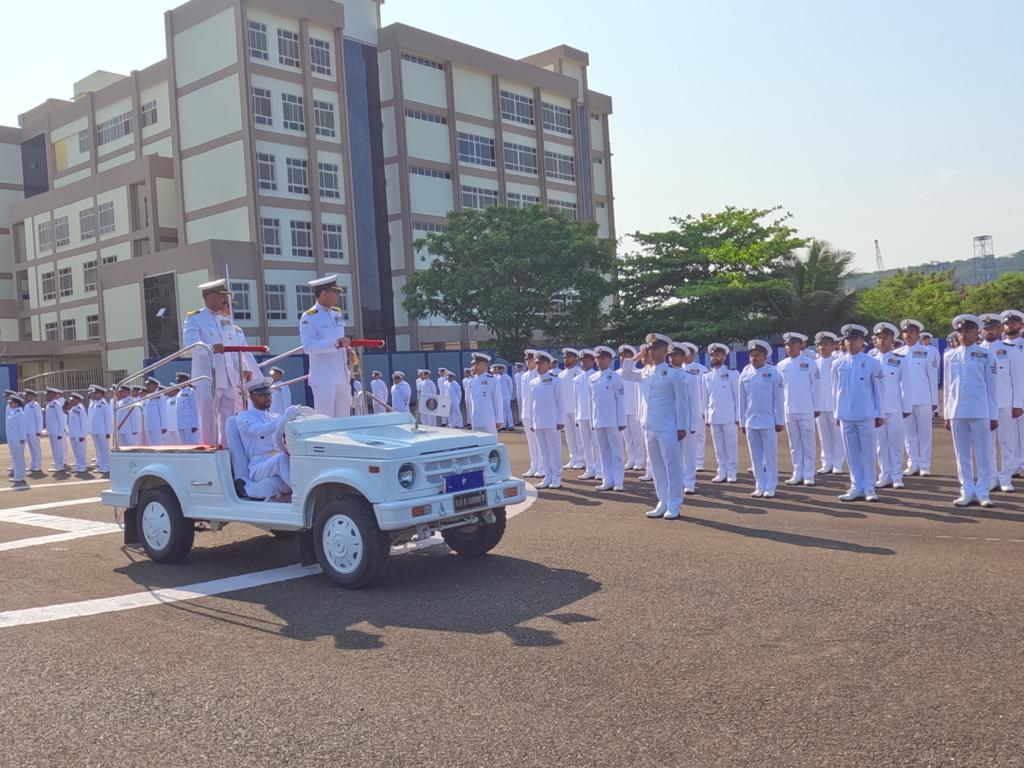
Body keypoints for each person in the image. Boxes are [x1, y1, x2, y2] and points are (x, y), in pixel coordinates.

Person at [620, 334, 690, 520]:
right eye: (649, 349)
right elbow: (625, 374)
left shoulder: (674, 374)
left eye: (655, 348)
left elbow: (682, 402)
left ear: (664, 350)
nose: (651, 352)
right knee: (657, 467)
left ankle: (674, 503)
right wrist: (635, 358)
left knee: (672, 466)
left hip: (668, 426)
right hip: (649, 425)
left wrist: (682, 426)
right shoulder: (646, 372)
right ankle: (662, 501)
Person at [182, 278, 260, 445]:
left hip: (229, 377)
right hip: (208, 377)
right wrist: (211, 347)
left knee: (228, 419)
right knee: (208, 419)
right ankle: (209, 448)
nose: (226, 299)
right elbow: (190, 345)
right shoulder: (195, 318)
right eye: (222, 296)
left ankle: (226, 448)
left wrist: (242, 369)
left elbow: (232, 351)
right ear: (210, 298)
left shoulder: (225, 320)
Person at [944, 315, 999, 507]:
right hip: (957, 411)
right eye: (960, 331)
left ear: (977, 333)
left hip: (980, 410)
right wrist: (947, 414)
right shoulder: (949, 356)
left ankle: (983, 492)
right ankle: (966, 491)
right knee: (962, 455)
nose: (963, 334)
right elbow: (948, 387)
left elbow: (992, 387)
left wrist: (993, 415)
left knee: (983, 454)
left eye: (968, 331)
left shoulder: (986, 354)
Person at [832, 324, 886, 502]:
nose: (850, 343)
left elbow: (879, 390)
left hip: (866, 414)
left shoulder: (872, 362)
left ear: (862, 341)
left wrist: (880, 414)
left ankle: (869, 487)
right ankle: (856, 486)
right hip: (846, 415)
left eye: (854, 340)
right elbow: (835, 390)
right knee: (851, 453)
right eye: (848, 340)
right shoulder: (837, 363)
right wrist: (837, 414)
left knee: (868, 452)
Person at [978, 313, 1024, 493]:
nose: (989, 331)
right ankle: (991, 477)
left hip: (1005, 403)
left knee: (1008, 443)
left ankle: (1005, 477)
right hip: (983, 406)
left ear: (999, 330)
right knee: (987, 444)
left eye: (993, 328)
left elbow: (1017, 379)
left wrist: (1018, 404)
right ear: (981, 330)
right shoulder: (975, 351)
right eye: (986, 328)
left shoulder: (1010, 350)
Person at [299, 274, 353, 418]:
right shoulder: (309, 316)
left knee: (344, 421)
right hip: (324, 378)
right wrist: (335, 344)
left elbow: (341, 337)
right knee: (326, 421)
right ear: (324, 294)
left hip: (342, 376)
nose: (338, 296)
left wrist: (347, 350)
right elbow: (308, 346)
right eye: (335, 292)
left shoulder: (337, 313)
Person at [738, 340, 785, 498]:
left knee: (770, 456)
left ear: (765, 357)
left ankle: (770, 485)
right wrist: (742, 422)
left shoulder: (774, 373)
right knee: (755, 456)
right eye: (752, 355)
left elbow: (779, 398)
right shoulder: (745, 374)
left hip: (768, 421)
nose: (754, 358)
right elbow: (742, 401)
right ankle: (759, 485)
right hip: (751, 421)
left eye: (757, 355)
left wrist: (779, 420)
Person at [236, 378, 293, 501]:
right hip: (259, 465)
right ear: (252, 397)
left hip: (277, 461)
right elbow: (258, 430)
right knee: (282, 458)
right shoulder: (244, 417)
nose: (268, 397)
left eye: (269, 394)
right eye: (262, 395)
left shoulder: (275, 416)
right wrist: (284, 419)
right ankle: (301, 494)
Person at [777, 332, 821, 486]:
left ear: (800, 345)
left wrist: (817, 406)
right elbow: (779, 390)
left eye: (792, 344)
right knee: (794, 444)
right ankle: (797, 472)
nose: (789, 347)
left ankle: (809, 474)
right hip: (789, 409)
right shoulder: (781, 365)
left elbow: (816, 387)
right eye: (787, 345)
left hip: (806, 408)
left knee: (808, 443)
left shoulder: (810, 363)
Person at [896, 319, 939, 476]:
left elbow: (932, 377)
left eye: (911, 332)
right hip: (904, 400)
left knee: (924, 433)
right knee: (909, 435)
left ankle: (924, 465)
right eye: (906, 332)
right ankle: (912, 463)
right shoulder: (897, 353)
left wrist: (935, 401)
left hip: (923, 398)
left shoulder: (928, 352)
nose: (908, 335)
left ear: (918, 335)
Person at [872, 322, 911, 489]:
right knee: (880, 445)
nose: (881, 341)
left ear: (892, 341)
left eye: (886, 338)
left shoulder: (899, 360)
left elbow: (906, 385)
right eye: (879, 338)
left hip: (895, 408)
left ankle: (896, 476)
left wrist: (906, 407)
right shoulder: (870, 360)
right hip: (876, 410)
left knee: (896, 443)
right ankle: (884, 475)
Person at [590, 346, 627, 491]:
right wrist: (593, 421)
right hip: (598, 420)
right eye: (598, 358)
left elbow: (620, 400)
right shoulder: (592, 378)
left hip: (613, 420)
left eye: (603, 358)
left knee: (617, 452)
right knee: (603, 452)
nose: (599, 361)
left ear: (610, 360)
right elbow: (591, 402)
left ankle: (618, 481)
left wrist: (621, 421)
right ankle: (607, 479)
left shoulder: (615, 377)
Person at [704, 342, 740, 483]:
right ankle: (721, 471)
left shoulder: (732, 373)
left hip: (729, 415)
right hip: (714, 416)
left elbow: (737, 396)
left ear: (724, 357)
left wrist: (738, 417)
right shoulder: (706, 376)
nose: (714, 358)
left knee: (731, 445)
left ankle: (732, 472)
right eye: (712, 355)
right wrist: (707, 416)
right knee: (718, 447)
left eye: (718, 355)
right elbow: (705, 398)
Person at [668, 342, 701, 494]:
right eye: (670, 355)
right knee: (673, 454)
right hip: (669, 421)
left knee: (689, 453)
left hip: (686, 421)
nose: (672, 358)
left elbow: (694, 402)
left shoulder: (689, 377)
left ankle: (689, 482)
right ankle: (677, 481)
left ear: (683, 357)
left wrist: (694, 424)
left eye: (676, 355)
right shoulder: (665, 375)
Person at [529, 351, 565, 489]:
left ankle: (556, 477)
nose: (538, 366)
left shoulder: (555, 380)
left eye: (541, 363)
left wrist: (560, 420)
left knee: (554, 450)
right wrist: (532, 422)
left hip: (552, 421)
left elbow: (560, 402)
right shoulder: (533, 382)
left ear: (548, 365)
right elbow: (532, 404)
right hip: (539, 422)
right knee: (543, 451)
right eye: (537, 363)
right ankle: (547, 476)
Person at [813, 332, 845, 474]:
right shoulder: (813, 364)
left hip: (834, 405)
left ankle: (838, 463)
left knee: (837, 436)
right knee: (824, 437)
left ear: (833, 346)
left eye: (826, 344)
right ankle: (826, 463)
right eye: (820, 345)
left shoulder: (838, 362)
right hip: (820, 405)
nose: (823, 347)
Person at [575, 349, 602, 481]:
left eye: (586, 360)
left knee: (597, 444)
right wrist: (576, 416)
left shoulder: (596, 376)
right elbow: (576, 399)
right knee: (586, 444)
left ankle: (600, 469)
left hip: (593, 415)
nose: (583, 362)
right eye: (581, 360)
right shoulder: (577, 379)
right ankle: (590, 468)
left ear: (592, 361)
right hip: (582, 415)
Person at [617, 344, 646, 472]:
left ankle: (639, 460)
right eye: (622, 356)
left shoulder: (637, 372)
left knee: (637, 436)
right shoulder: (617, 374)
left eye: (627, 355)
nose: (624, 358)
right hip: (623, 409)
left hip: (634, 408)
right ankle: (631, 458)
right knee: (627, 437)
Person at [681, 343, 709, 472]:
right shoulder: (676, 368)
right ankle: (684, 461)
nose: (686, 355)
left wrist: (704, 409)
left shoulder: (702, 369)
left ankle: (699, 461)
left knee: (699, 435)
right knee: (682, 436)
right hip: (681, 408)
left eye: (689, 353)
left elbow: (705, 391)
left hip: (698, 407)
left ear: (693, 354)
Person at [558, 349, 584, 470]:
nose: (566, 359)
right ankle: (573, 458)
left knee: (579, 437)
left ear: (575, 358)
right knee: (569, 436)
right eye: (565, 357)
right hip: (565, 409)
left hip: (576, 409)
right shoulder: (561, 375)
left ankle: (581, 459)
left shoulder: (579, 373)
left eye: (569, 357)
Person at [465, 353, 503, 435]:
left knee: (491, 441)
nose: (474, 366)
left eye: (477, 364)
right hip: (475, 420)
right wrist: (470, 419)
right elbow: (470, 403)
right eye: (474, 364)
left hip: (488, 420)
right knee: (477, 441)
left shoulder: (492, 380)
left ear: (484, 365)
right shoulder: (471, 381)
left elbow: (498, 400)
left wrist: (499, 419)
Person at [520, 351, 542, 478]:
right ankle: (534, 465)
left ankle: (541, 467)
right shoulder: (524, 376)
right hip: (526, 412)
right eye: (527, 360)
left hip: (535, 413)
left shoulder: (539, 375)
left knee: (539, 442)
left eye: (530, 359)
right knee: (531, 442)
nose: (528, 362)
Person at [87, 385, 113, 474]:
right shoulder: (94, 403)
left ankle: (106, 466)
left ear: (101, 394)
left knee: (104, 450)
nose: (94, 395)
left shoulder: (104, 404)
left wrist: (108, 432)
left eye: (96, 393)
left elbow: (108, 419)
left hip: (102, 431)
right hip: (95, 430)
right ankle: (101, 466)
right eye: (94, 393)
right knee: (99, 450)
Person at [6, 392, 28, 488]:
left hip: (18, 439)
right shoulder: (13, 412)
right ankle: (17, 475)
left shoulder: (19, 413)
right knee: (15, 458)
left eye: (11, 402)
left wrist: (22, 438)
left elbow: (22, 426)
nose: (10, 404)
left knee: (19, 458)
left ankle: (20, 476)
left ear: (16, 403)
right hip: (13, 438)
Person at [44, 387, 67, 471]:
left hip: (56, 431)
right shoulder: (48, 405)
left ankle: (60, 465)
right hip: (51, 431)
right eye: (46, 395)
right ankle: (57, 464)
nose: (46, 396)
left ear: (53, 395)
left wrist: (60, 432)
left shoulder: (56, 405)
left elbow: (60, 419)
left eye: (48, 395)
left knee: (58, 449)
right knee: (54, 449)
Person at [174, 372, 200, 445]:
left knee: (192, 444)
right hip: (180, 424)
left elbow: (194, 408)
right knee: (183, 445)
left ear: (186, 380)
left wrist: (194, 424)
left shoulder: (191, 391)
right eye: (178, 381)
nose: (179, 382)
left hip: (189, 424)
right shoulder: (179, 393)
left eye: (180, 380)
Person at [21, 389, 43, 474]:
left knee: (36, 448)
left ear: (32, 396)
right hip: (28, 430)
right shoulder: (27, 405)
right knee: (31, 449)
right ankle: (33, 465)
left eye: (27, 396)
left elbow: (39, 418)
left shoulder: (36, 405)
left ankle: (38, 465)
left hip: (34, 430)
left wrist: (39, 430)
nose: (25, 397)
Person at [66, 393, 89, 474]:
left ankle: (82, 467)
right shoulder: (72, 409)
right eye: (70, 400)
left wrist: (82, 435)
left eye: (73, 400)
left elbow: (84, 423)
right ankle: (78, 465)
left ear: (77, 400)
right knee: (76, 451)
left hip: (79, 435)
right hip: (73, 434)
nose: (71, 401)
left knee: (81, 451)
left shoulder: (80, 409)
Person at [142, 377, 166, 446]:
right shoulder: (147, 397)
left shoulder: (160, 397)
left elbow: (163, 412)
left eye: (149, 385)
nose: (147, 387)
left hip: (157, 427)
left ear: (155, 386)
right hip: (148, 426)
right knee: (150, 445)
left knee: (159, 445)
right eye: (147, 385)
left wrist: (164, 426)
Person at [494, 363, 514, 431]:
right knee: (501, 411)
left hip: (506, 396)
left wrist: (509, 396)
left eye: (499, 369)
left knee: (507, 410)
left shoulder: (507, 377)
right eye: (497, 369)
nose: (498, 370)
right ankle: (504, 425)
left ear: (502, 369)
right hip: (499, 396)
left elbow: (510, 387)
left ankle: (511, 425)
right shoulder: (496, 377)